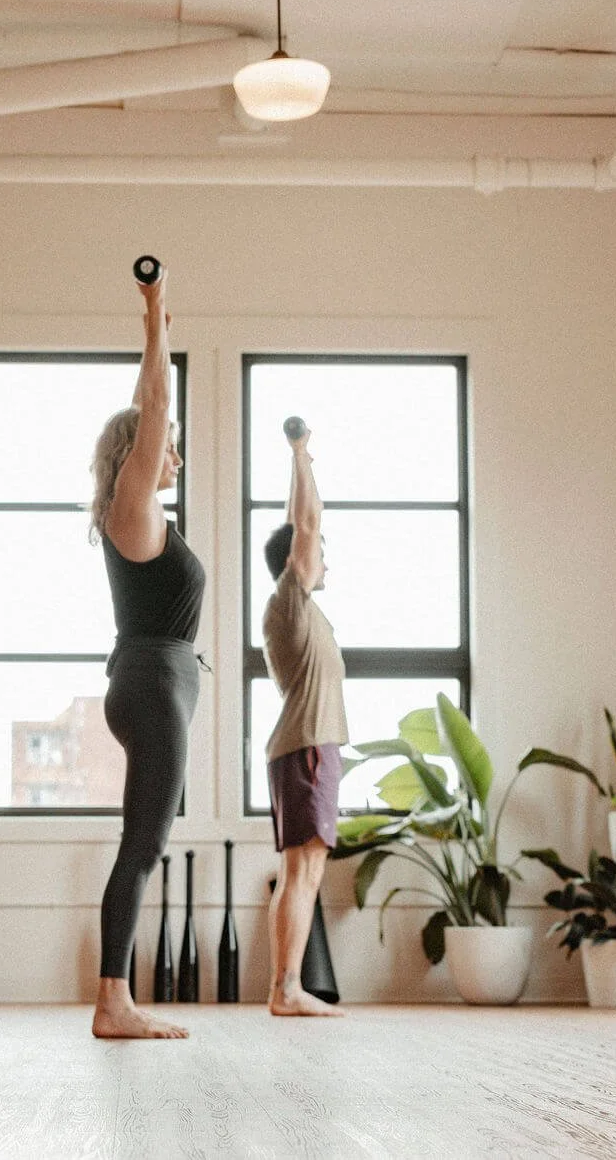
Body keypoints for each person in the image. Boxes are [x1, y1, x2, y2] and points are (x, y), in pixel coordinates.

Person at [88, 267, 202, 1040]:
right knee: (143, 844)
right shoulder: (134, 505)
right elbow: (154, 408)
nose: (176, 459)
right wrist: (157, 310)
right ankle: (113, 1002)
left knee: (145, 841)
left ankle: (115, 999)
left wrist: (152, 333)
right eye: (170, 450)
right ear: (140, 455)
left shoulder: (137, 508)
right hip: (153, 686)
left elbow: (146, 407)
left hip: (157, 683)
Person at [260, 421, 346, 1018]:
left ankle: (285, 987)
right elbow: (306, 524)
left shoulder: (301, 610)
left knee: (304, 871)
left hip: (311, 747)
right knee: (303, 869)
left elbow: (304, 531)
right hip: (307, 749)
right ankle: (287, 989)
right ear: (295, 561)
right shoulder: (289, 601)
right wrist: (300, 456)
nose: (324, 560)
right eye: (316, 555)